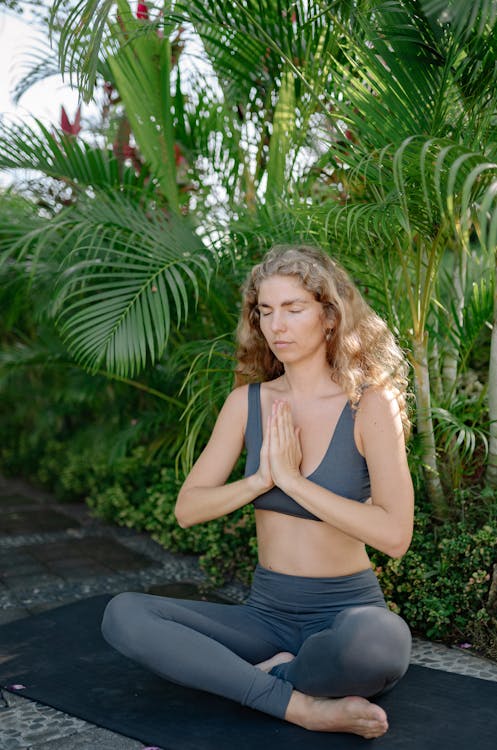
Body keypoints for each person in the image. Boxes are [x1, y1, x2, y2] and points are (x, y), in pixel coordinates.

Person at [102, 244, 414, 739]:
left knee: (381, 641)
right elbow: (189, 508)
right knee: (125, 614)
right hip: (264, 617)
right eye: (265, 312)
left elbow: (395, 535)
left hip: (345, 613)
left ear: (330, 317)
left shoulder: (371, 404)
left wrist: (293, 482)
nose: (277, 326)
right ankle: (299, 704)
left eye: (294, 309)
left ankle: (274, 678)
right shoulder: (247, 403)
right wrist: (260, 481)